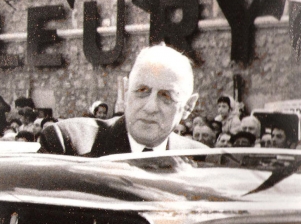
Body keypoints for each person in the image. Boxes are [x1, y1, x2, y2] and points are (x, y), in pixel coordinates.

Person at [39, 44, 206, 156]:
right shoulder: (68, 144)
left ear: (188, 107)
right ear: (126, 91)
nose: (150, 107)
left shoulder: (202, 162)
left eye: (166, 96)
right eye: (142, 91)